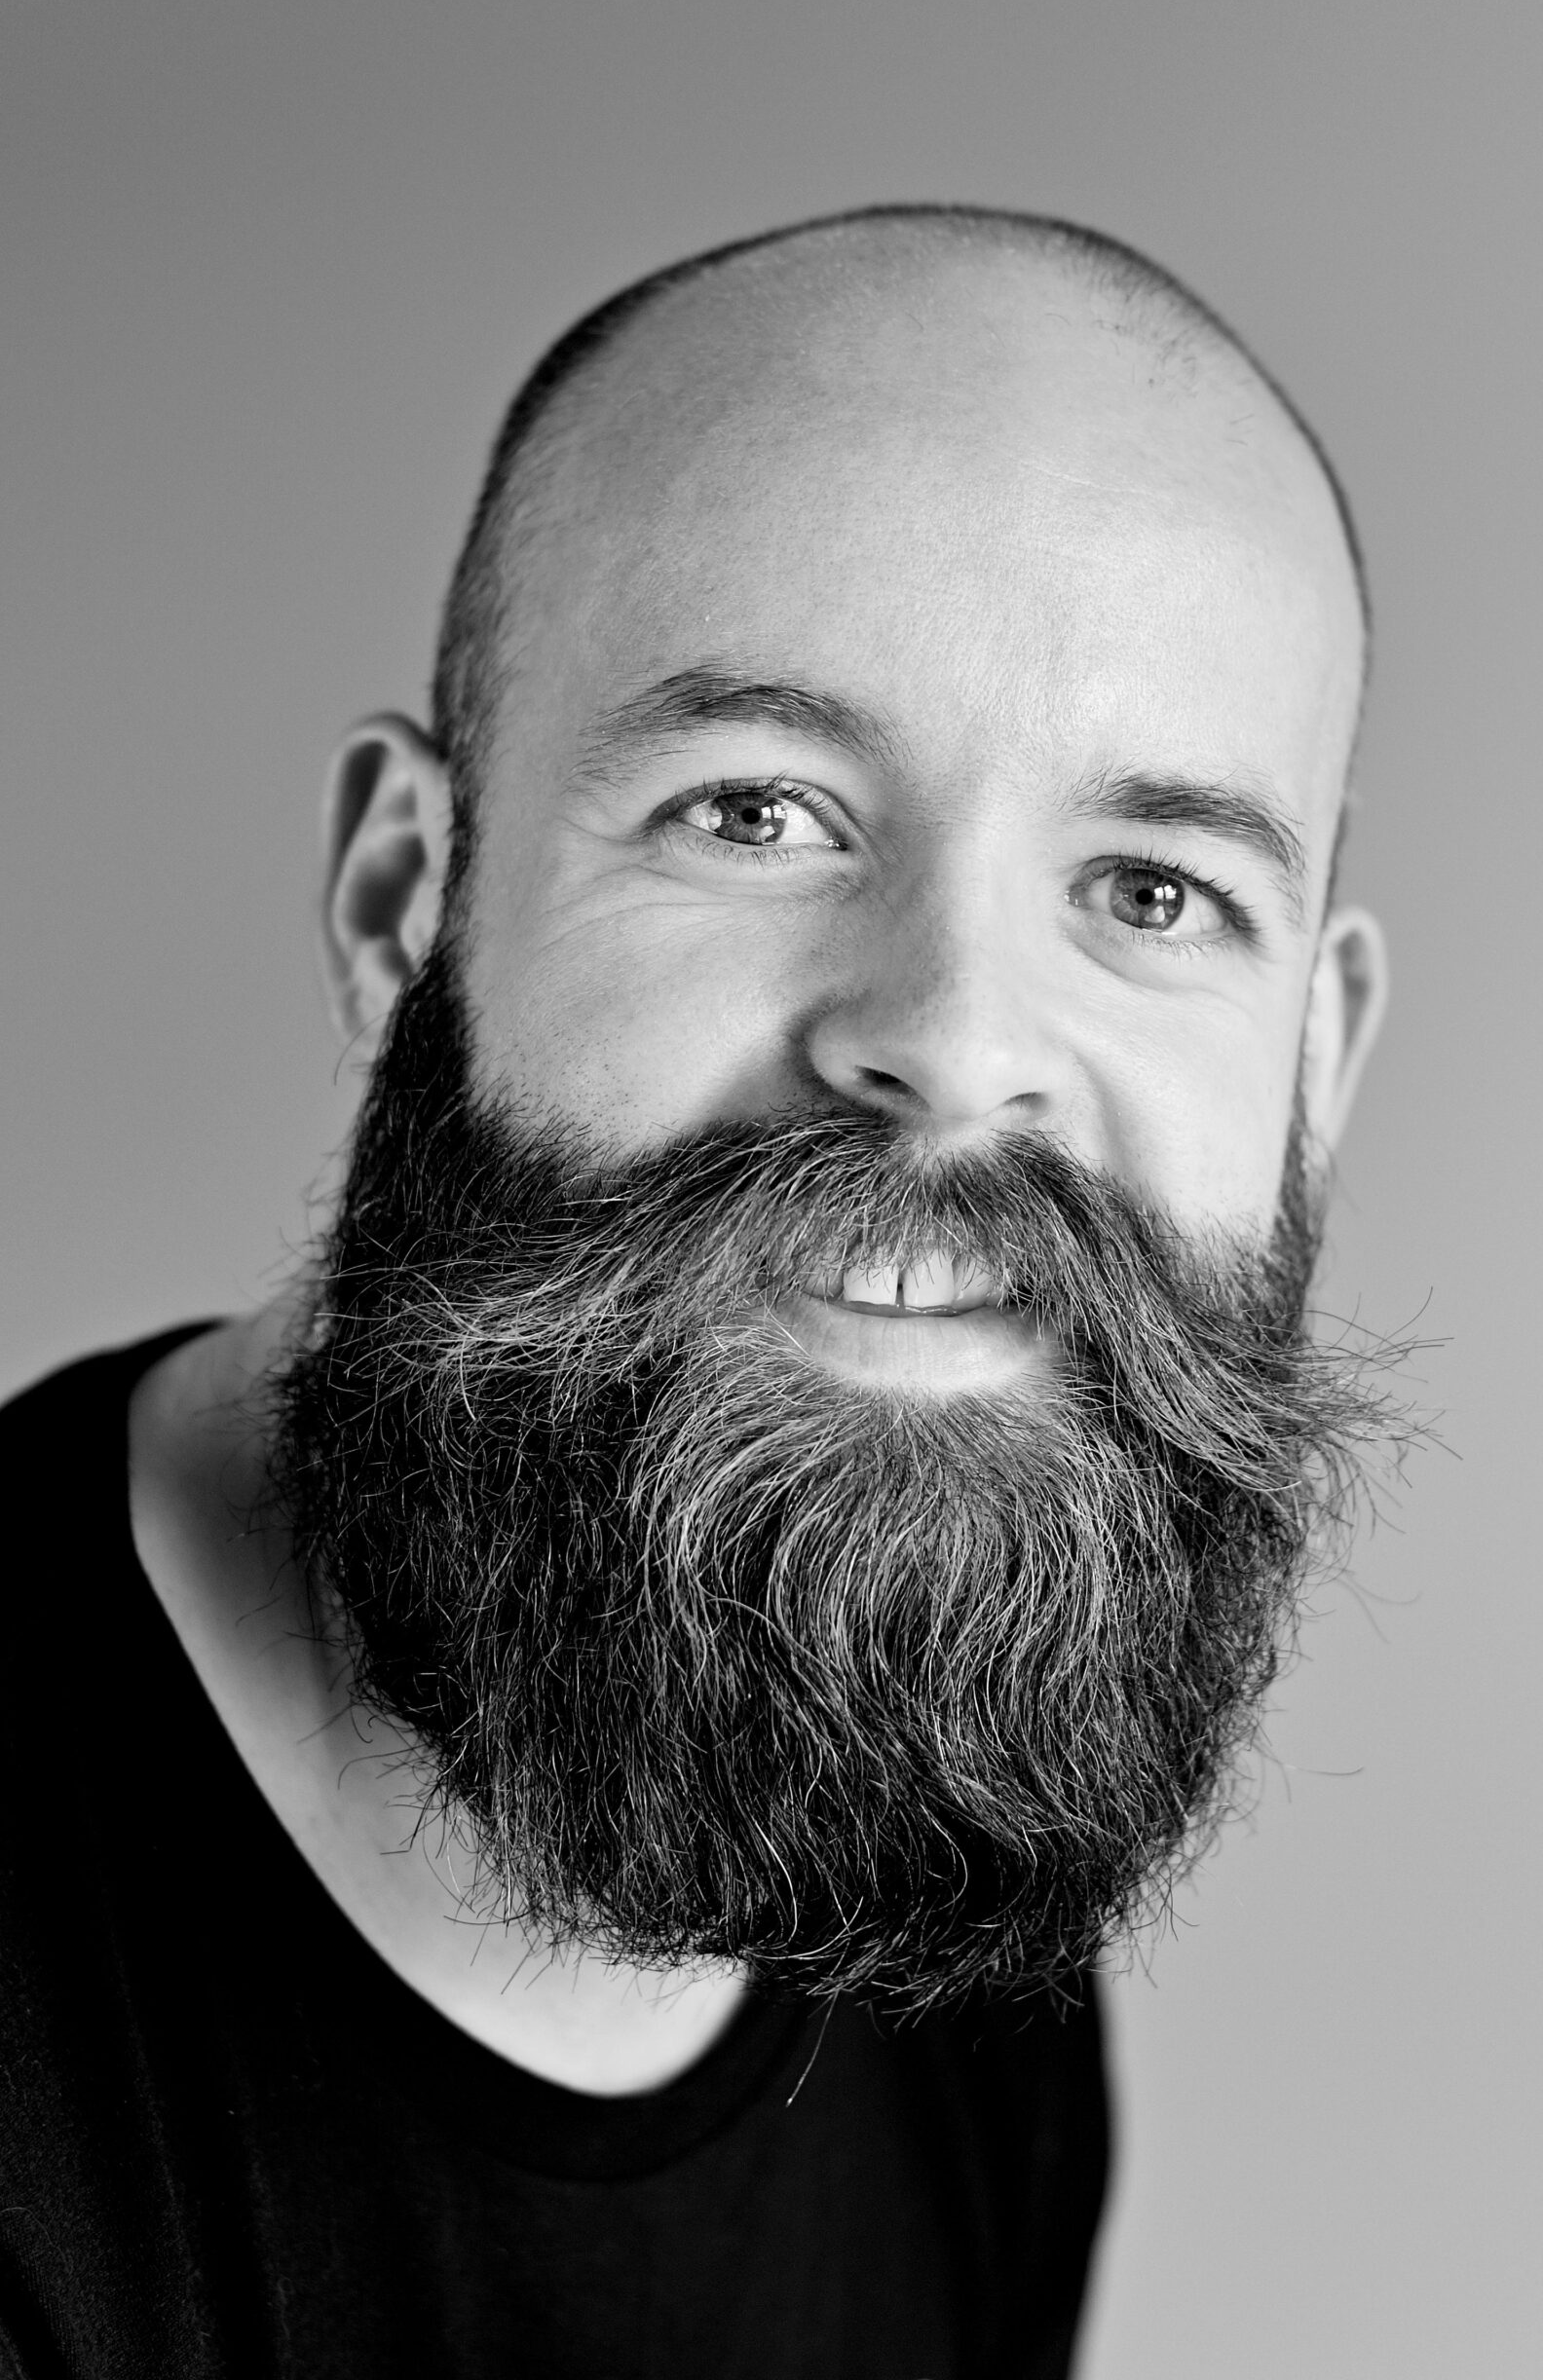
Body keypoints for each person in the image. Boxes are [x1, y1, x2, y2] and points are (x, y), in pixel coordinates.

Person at [0, 204, 1394, 2378]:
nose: (949, 1032)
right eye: (754, 810)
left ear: (1313, 1064)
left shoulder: (911, 1849)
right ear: (403, 903)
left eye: (1151, 888)